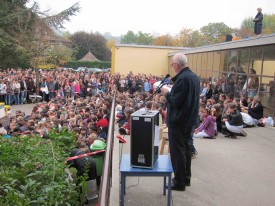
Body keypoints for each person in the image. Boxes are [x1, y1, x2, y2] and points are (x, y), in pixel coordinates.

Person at [161, 53, 200, 191]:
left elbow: (176, 101)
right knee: (186, 149)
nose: (172, 67)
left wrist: (166, 92)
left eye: (172, 64)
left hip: (179, 121)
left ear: (177, 65)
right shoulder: (193, 77)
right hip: (189, 119)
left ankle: (179, 182)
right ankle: (185, 178)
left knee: (178, 151)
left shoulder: (182, 79)